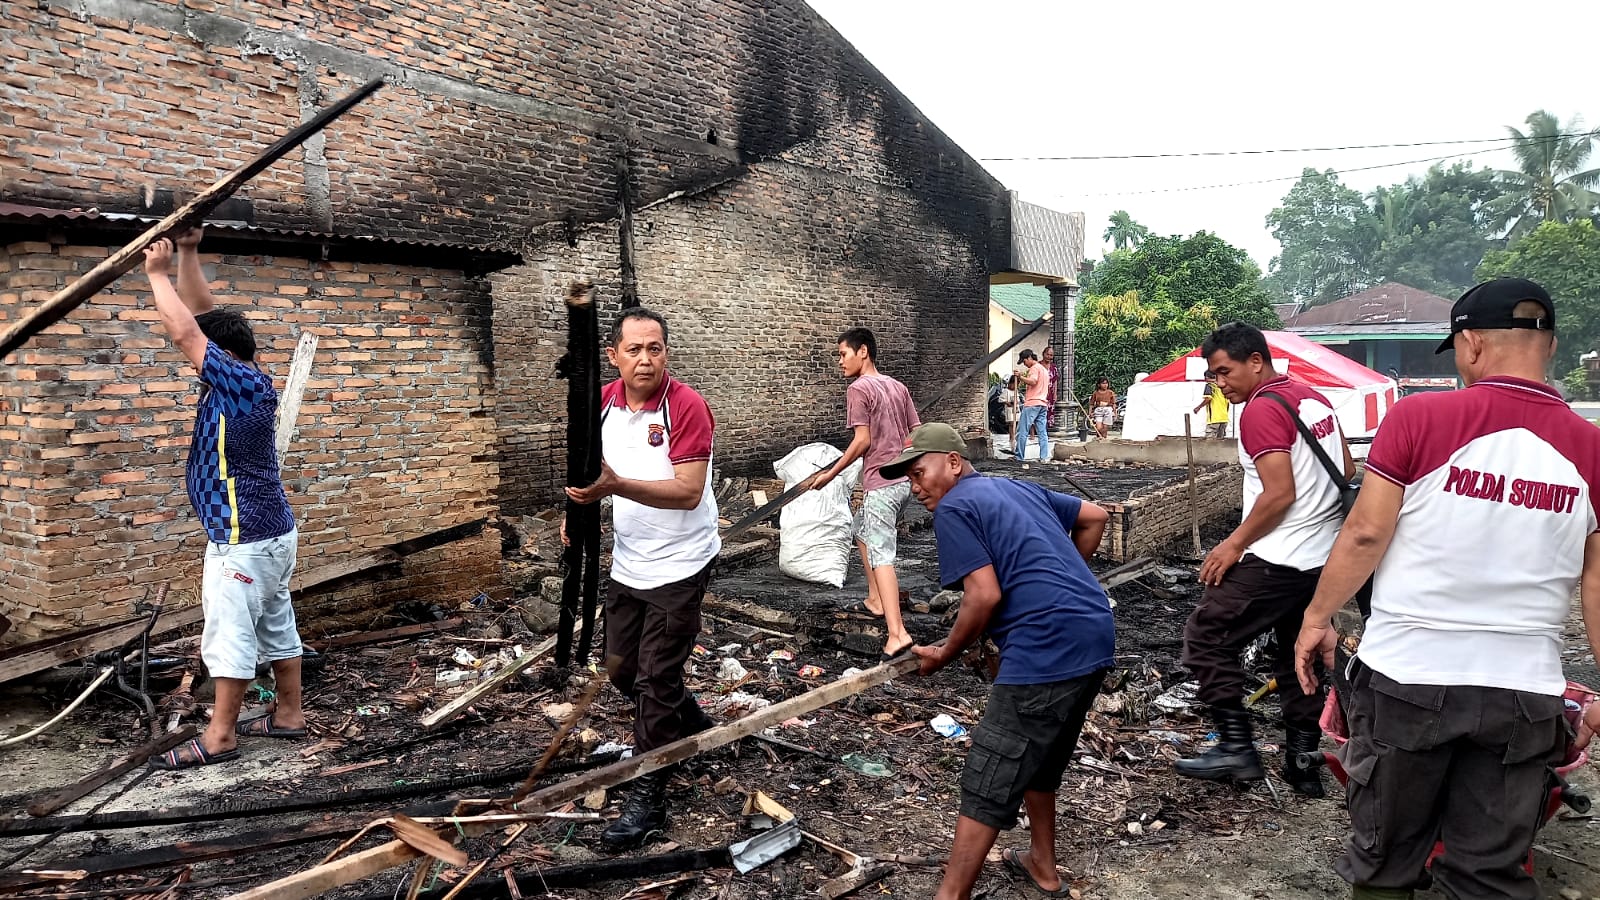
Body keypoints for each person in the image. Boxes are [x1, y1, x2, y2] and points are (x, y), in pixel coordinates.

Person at [1294, 278, 1600, 900]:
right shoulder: (1591, 448)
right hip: (1524, 694)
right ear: (1551, 346)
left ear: (1471, 344)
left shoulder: (1420, 418)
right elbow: (1597, 582)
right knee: (1488, 871)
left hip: (1409, 678)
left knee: (1386, 858)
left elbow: (1363, 535)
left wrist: (1317, 618)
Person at [880, 423, 1113, 900]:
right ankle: (1042, 865)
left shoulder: (955, 507)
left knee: (992, 769)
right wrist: (1057, 580)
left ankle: (951, 895)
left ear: (952, 461)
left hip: (1045, 645)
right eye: (907, 479)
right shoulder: (1013, 487)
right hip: (1093, 633)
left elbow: (983, 595)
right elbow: (1096, 516)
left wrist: (947, 651)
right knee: (1040, 757)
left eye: (919, 472)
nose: (916, 486)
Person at [139, 230, 304, 770]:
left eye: (208, 357)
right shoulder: (246, 376)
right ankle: (288, 716)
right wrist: (188, 254)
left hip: (244, 539)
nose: (194, 363)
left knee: (228, 636)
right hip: (271, 533)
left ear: (225, 357)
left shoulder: (238, 383)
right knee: (277, 625)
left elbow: (188, 332)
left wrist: (157, 275)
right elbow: (205, 315)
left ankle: (221, 736)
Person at [564, 307, 721, 851]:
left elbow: (687, 493)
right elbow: (589, 474)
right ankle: (692, 726)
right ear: (615, 356)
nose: (646, 359)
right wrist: (576, 512)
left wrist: (614, 487)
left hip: (681, 562)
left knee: (656, 679)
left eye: (655, 348)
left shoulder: (686, 406)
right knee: (624, 670)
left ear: (666, 354)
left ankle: (648, 795)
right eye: (635, 349)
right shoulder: (601, 404)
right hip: (631, 560)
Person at [1174, 321, 1353, 797]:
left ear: (1256, 361)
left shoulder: (1259, 410)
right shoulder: (1313, 398)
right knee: (1299, 651)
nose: (1220, 383)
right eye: (1213, 375)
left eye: (1224, 371)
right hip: (1321, 560)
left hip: (1280, 556)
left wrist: (1232, 544)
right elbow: (1347, 470)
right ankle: (1303, 763)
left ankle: (1236, 746)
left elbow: (1279, 495)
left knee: (1207, 634)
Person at [807, 328, 919, 659]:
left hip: (881, 484)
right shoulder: (897, 386)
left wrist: (830, 473)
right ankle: (875, 599)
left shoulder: (858, 388)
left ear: (863, 352)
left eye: (843, 354)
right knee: (860, 529)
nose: (840, 361)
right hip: (901, 484)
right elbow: (915, 434)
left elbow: (862, 441)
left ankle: (897, 633)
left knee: (881, 552)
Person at [1016, 350, 1050, 461]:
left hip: (1032, 403)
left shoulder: (1034, 368)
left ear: (1030, 357)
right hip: (1042, 403)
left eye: (1024, 361)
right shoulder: (1044, 370)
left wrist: (1020, 377)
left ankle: (1019, 456)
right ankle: (1044, 457)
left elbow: (1033, 381)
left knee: (1022, 431)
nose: (1024, 364)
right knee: (1042, 432)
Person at [1192, 373, 1231, 438]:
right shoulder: (1223, 387)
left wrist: (1198, 407)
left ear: (1206, 377)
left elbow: (1208, 398)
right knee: (1220, 442)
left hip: (1214, 418)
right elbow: (1228, 403)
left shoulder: (1210, 386)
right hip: (1224, 418)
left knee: (1209, 442)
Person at [1042, 346, 1059, 431]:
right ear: (1043, 354)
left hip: (1050, 394)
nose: (1049, 357)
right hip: (1040, 393)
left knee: (1049, 412)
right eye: (1047, 354)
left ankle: (1046, 432)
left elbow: (1055, 381)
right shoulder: (1038, 365)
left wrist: (1055, 394)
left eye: (1051, 355)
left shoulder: (1054, 367)